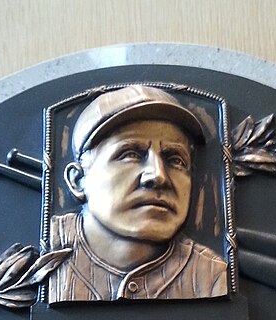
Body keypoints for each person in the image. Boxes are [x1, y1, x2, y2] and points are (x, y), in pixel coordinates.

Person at [47, 85, 229, 303]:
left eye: (175, 160)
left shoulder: (212, 276)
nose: (158, 176)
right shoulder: (37, 258)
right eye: (130, 154)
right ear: (78, 181)